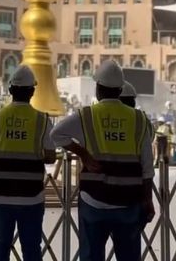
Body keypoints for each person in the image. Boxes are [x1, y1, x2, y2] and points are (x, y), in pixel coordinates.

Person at [52, 60, 155, 261]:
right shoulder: (139, 119)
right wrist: (147, 199)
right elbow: (147, 167)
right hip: (128, 202)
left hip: (94, 201)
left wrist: (83, 153)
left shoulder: (87, 116)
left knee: (91, 255)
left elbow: (56, 134)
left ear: (98, 88)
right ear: (119, 89)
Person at [0, 65, 56, 261]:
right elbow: (51, 157)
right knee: (31, 249)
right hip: (31, 197)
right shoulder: (42, 120)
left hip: (1, 196)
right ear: (32, 92)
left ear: (10, 91)